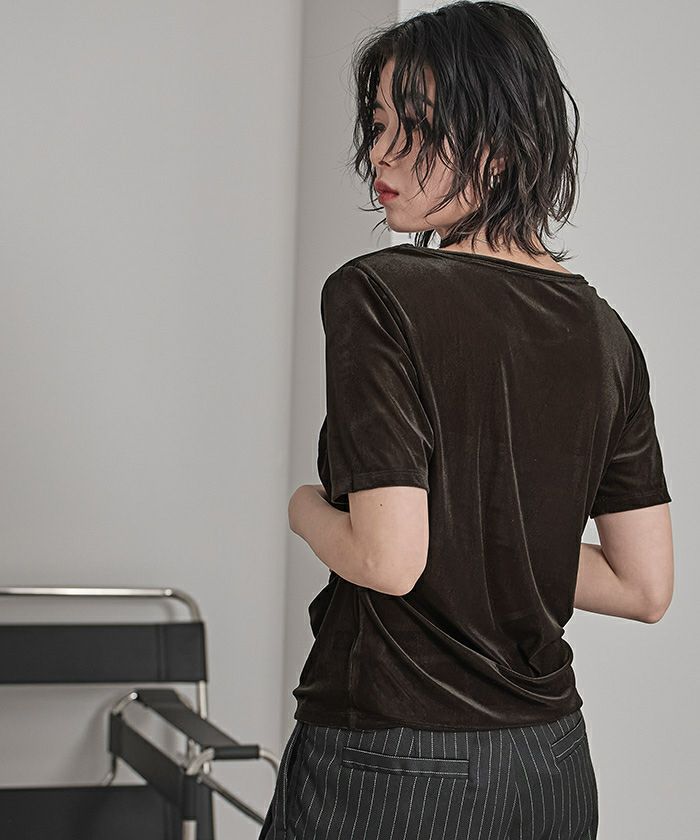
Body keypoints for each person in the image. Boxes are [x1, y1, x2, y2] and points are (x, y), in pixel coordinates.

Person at [261, 2, 673, 838]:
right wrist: (499, 543)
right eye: (378, 123)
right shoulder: (608, 336)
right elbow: (644, 587)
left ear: (499, 145)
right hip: (551, 766)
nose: (381, 153)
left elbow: (387, 559)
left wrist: (303, 508)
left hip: (395, 761)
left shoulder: (378, 292)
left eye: (413, 127)